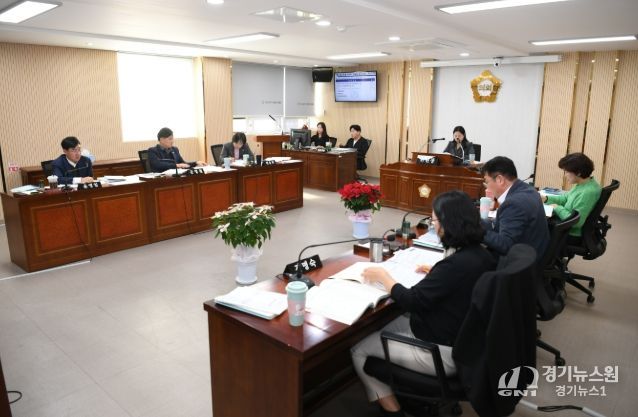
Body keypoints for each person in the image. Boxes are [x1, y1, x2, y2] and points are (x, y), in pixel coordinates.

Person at [351, 190, 496, 417]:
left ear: (448, 224)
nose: (433, 226)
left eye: (434, 221)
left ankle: (394, 412)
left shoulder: (454, 266)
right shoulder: (482, 255)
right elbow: (457, 283)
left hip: (442, 353)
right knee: (381, 327)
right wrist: (437, 274)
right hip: (463, 341)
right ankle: (405, 395)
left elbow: (412, 301)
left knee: (358, 349)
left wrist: (384, 277)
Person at [481, 156, 549, 259]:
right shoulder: (528, 189)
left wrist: (476, 231)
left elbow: (505, 245)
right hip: (533, 250)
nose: (487, 187)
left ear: (499, 180)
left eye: (487, 182)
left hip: (522, 261)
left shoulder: (513, 204)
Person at [542, 153, 601, 243]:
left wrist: (557, 207)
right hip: (565, 225)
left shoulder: (587, 192)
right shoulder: (583, 184)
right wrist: (546, 198)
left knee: (532, 225)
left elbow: (576, 222)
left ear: (578, 173)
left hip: (569, 233)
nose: (565, 175)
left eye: (566, 172)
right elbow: (565, 198)